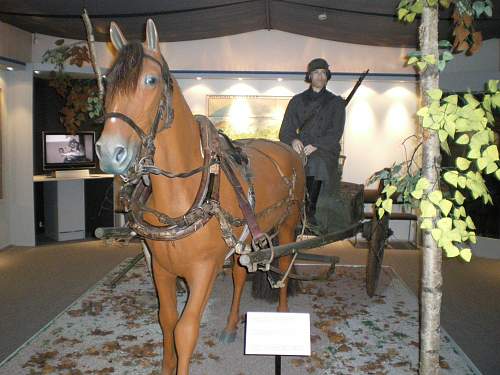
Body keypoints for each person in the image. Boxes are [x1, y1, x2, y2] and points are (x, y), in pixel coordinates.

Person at [279, 58, 346, 227]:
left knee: (316, 163)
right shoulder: (297, 101)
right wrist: (293, 140)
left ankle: (309, 211)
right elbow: (285, 129)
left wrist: (316, 145)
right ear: (310, 76)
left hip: (325, 150)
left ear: (327, 76)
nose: (320, 76)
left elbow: (336, 132)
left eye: (323, 72)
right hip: (299, 147)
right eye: (316, 72)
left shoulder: (336, 103)